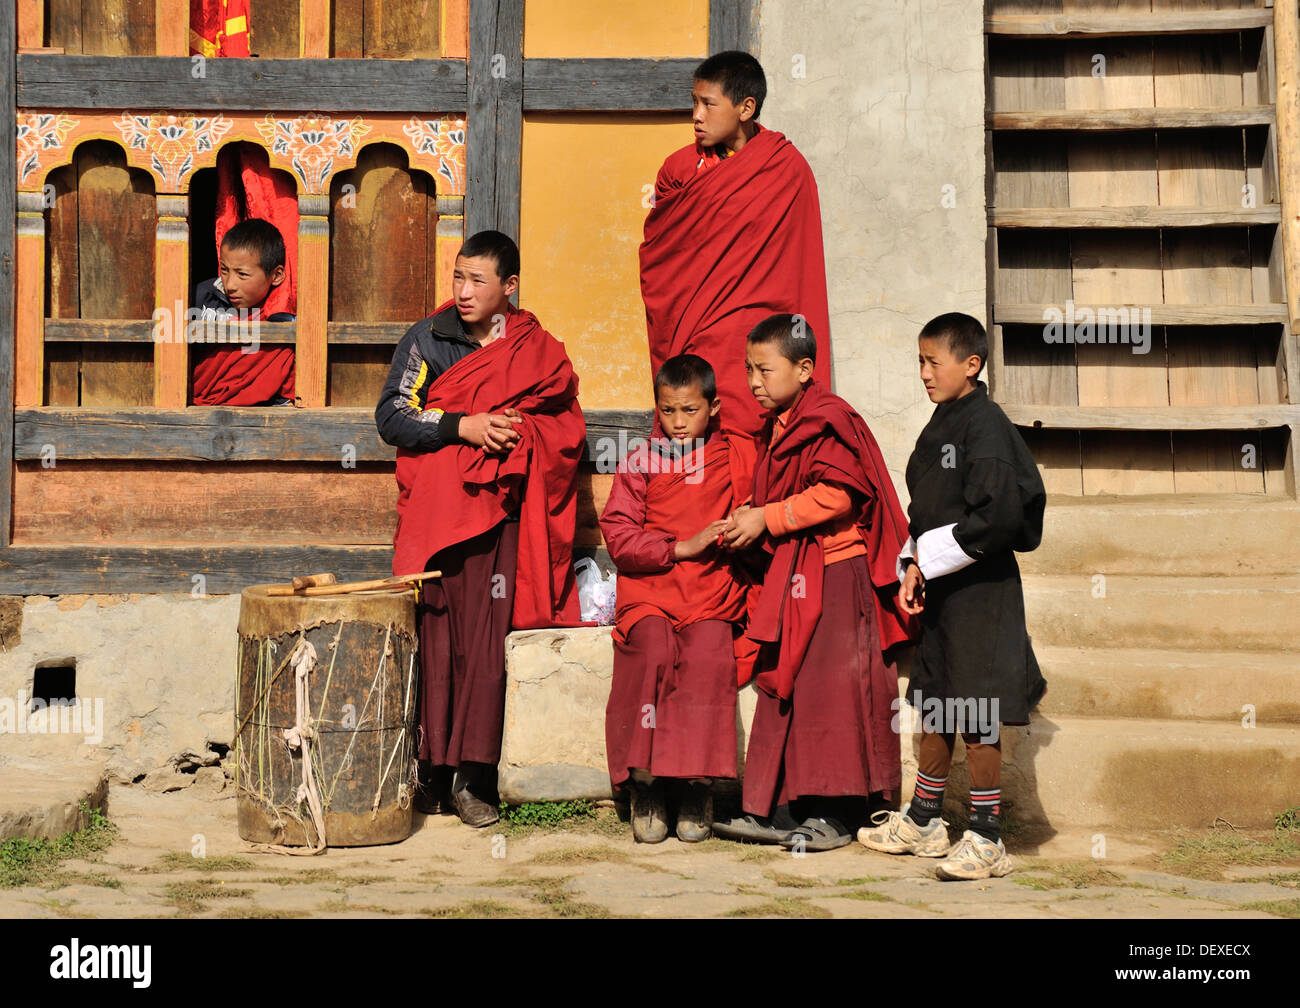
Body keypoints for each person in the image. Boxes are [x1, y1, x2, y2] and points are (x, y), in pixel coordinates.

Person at [375, 230, 586, 828]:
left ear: (508, 287)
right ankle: (431, 771)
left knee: (486, 647)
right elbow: (392, 415)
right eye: (458, 279)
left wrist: (522, 436)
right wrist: (463, 426)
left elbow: (565, 427)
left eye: (477, 281)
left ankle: (475, 776)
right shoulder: (430, 338)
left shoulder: (536, 347)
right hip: (439, 520)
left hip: (500, 517)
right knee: (438, 639)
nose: (463, 293)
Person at [715, 313, 914, 852]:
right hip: (798, 573)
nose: (753, 382)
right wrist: (751, 517)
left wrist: (768, 518)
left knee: (831, 694)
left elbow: (840, 495)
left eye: (763, 369)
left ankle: (839, 813)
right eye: (748, 371)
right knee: (789, 687)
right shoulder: (779, 424)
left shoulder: (827, 417)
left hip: (837, 572)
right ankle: (780, 809)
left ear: (805, 369)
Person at [858, 312, 1046, 880]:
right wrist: (913, 563)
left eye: (932, 361)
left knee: (976, 708)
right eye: (919, 360)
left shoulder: (986, 426)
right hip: (944, 589)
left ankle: (987, 838)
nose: (923, 372)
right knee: (936, 698)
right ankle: (924, 820)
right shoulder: (942, 423)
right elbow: (929, 511)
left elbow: (996, 516)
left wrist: (930, 559)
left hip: (983, 591)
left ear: (971, 364)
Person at [600, 354, 756, 843]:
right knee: (650, 651)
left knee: (710, 657)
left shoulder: (735, 456)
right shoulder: (641, 462)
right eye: (668, 412)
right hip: (651, 588)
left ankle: (695, 786)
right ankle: (644, 784)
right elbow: (619, 535)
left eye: (689, 410)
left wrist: (739, 529)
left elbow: (759, 509)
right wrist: (677, 546)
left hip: (711, 588)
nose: (679, 423)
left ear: (714, 406)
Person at [640, 51, 832, 438]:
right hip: (698, 327)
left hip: (759, 331)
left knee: (755, 432)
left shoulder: (785, 169)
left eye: (708, 104)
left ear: (746, 108)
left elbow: (800, 263)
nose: (696, 115)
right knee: (700, 430)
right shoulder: (679, 170)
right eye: (694, 103)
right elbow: (662, 259)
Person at [191, 217, 297, 405]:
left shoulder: (279, 315)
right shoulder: (201, 296)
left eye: (242, 274)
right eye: (224, 270)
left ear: (277, 275)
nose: (230, 284)